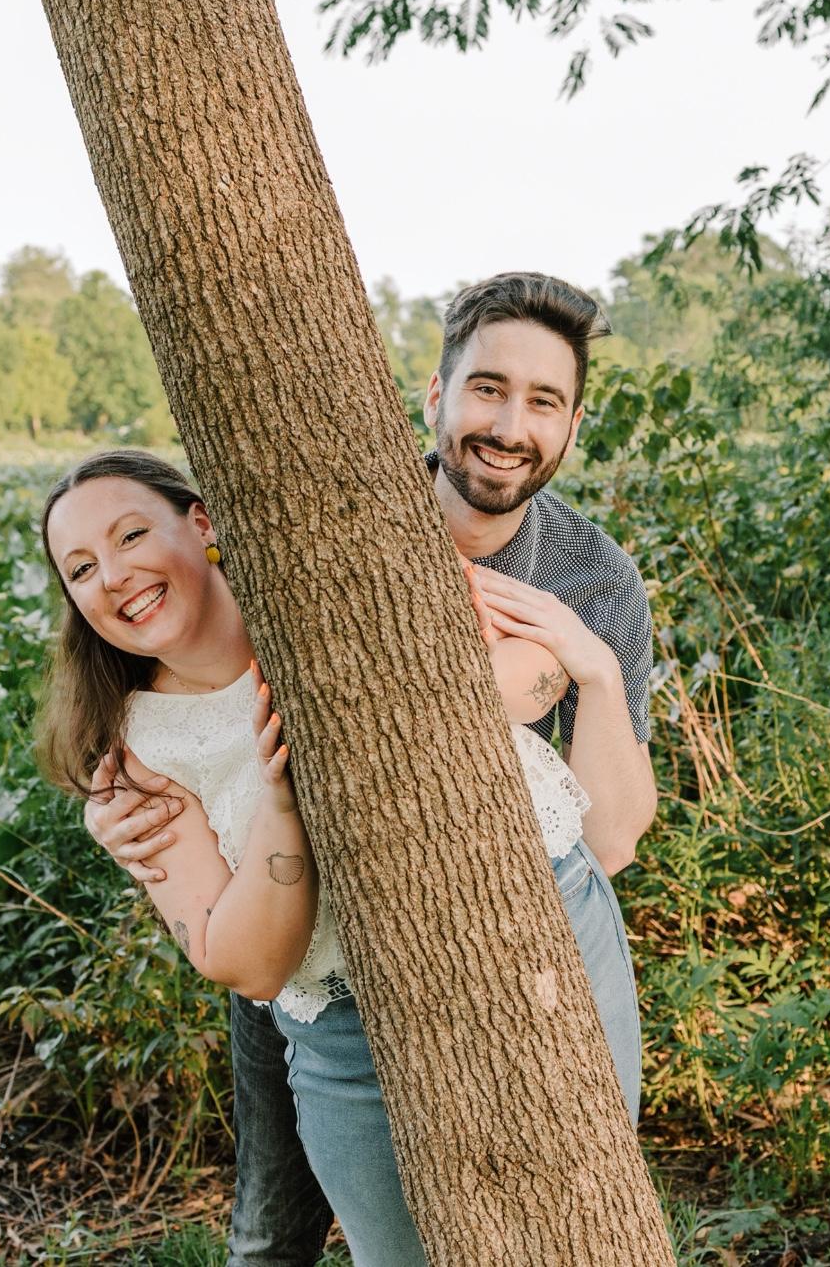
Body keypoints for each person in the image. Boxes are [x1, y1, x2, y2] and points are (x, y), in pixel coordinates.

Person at [81, 272, 657, 1264]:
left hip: (503, 912)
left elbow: (606, 833)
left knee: (545, 1195)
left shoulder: (590, 579)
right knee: (276, 1217)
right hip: (305, 920)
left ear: (568, 427)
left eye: (542, 401)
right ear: (433, 396)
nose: (508, 424)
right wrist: (124, 810)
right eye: (485, 388)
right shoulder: (336, 515)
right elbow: (172, 641)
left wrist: (588, 670)